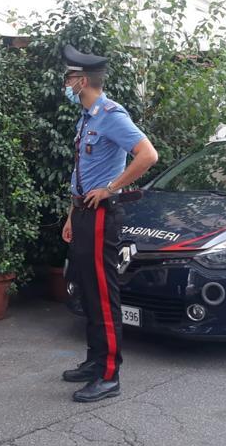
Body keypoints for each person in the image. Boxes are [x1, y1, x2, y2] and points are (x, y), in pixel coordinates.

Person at [59, 45, 158, 403]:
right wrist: (72, 214)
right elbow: (81, 171)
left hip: (102, 216)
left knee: (102, 294)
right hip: (84, 214)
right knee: (86, 289)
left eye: (69, 78)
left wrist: (111, 188)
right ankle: (94, 359)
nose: (66, 84)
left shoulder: (112, 116)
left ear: (82, 80)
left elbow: (148, 155)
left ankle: (109, 374)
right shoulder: (87, 117)